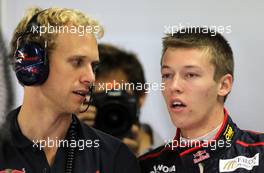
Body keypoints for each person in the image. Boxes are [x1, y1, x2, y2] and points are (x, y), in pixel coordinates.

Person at [0, 7, 140, 173]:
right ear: (32, 64)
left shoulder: (114, 157)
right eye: (77, 62)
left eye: (93, 66)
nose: (91, 78)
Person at [139, 27, 264, 173]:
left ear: (224, 85)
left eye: (190, 75)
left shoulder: (259, 153)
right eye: (167, 75)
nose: (174, 86)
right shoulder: (145, 166)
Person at [78, 43, 155, 156]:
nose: (109, 109)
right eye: (99, 99)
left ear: (141, 97)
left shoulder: (175, 158)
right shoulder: (68, 149)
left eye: (117, 96)